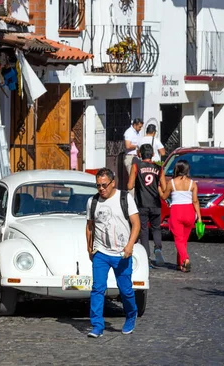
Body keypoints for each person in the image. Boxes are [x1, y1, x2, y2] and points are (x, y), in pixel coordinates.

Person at [86, 168, 140, 338]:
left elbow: (136, 224)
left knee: (125, 290)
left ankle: (131, 315)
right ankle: (97, 325)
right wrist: (89, 248)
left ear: (112, 183)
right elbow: (89, 226)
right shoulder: (92, 202)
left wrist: (130, 246)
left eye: (104, 185)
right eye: (98, 186)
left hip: (122, 253)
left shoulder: (125, 199)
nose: (101, 189)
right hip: (101, 252)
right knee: (97, 289)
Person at [127, 144, 166, 268]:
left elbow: (129, 186)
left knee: (143, 230)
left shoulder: (136, 166)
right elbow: (164, 187)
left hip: (142, 203)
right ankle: (158, 248)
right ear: (153, 155)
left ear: (139, 154)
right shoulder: (159, 168)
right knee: (156, 228)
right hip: (155, 203)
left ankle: (146, 257)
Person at [159, 160, 201, 273]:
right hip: (189, 211)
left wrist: (158, 188)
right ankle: (180, 264)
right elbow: (195, 201)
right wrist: (200, 217)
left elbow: (164, 196)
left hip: (177, 211)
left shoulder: (172, 183)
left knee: (178, 240)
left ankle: (185, 259)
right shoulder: (192, 183)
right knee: (183, 240)